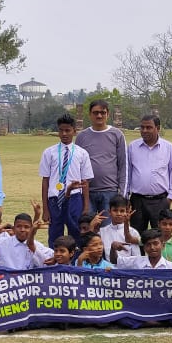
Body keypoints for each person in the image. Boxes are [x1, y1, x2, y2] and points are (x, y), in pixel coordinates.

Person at [40, 113, 93, 246]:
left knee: (76, 232)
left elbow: (85, 182)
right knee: (55, 234)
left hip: (75, 199)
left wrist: (86, 207)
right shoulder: (49, 152)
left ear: (74, 131)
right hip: (55, 199)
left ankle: (75, 258)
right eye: (61, 130)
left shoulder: (82, 153)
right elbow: (45, 181)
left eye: (67, 130)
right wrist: (45, 209)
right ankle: (55, 257)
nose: (64, 134)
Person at [75, 100, 127, 226]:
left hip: (110, 191)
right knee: (88, 229)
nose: (99, 116)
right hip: (87, 192)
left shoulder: (117, 135)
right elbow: (76, 165)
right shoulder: (82, 137)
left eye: (102, 113)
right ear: (90, 114)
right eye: (96, 113)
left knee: (108, 230)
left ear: (108, 114)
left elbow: (123, 165)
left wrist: (122, 194)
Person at [125, 115, 172, 232]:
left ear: (157, 128)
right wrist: (126, 196)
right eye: (142, 127)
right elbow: (127, 173)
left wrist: (169, 198)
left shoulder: (169, 148)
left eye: (149, 127)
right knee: (136, 235)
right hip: (137, 201)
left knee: (160, 236)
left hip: (160, 200)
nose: (144, 130)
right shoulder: (132, 147)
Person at [99, 195, 141, 263]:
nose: (118, 214)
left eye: (122, 211)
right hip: (109, 267)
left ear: (126, 212)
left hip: (128, 267)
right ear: (109, 212)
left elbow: (137, 257)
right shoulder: (102, 232)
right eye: (115, 210)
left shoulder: (133, 232)